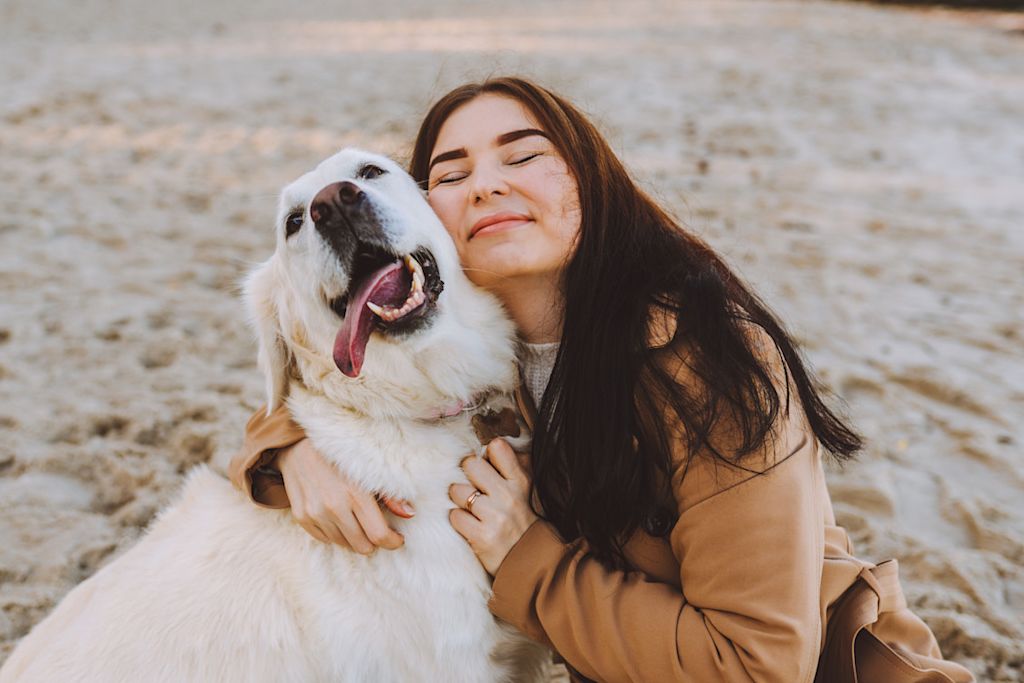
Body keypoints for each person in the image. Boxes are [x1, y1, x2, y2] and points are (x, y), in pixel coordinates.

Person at [228, 77, 974, 682]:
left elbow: (761, 666)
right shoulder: (479, 361)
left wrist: (531, 561)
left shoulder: (705, 360)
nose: (484, 185)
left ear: (591, 181)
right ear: (426, 221)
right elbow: (332, 381)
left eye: (521, 157)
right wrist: (285, 455)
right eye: (450, 174)